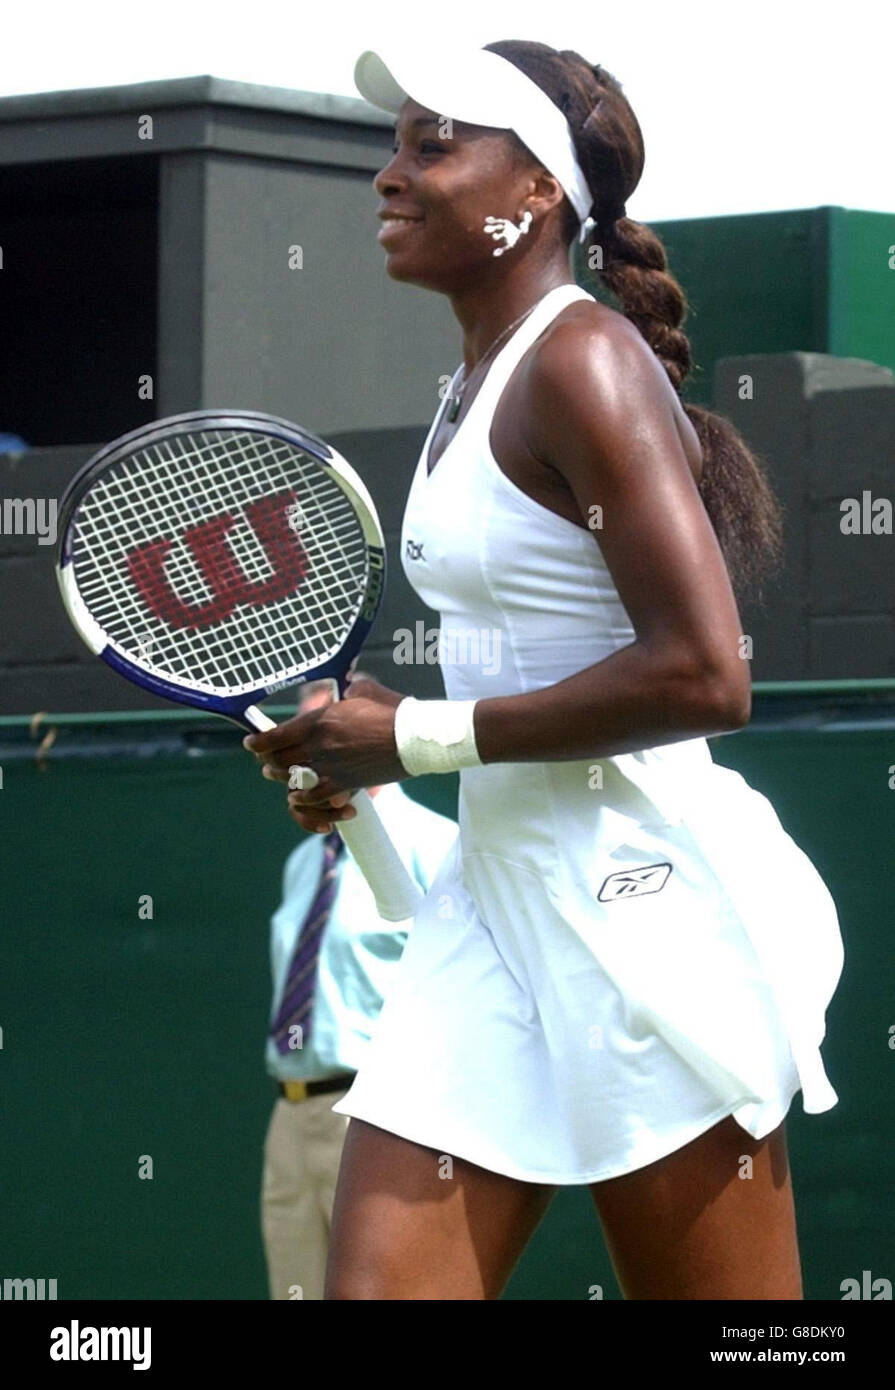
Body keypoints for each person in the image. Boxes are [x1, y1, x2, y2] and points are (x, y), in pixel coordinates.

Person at [245, 40, 845, 1300]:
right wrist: (361, 766)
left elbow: (703, 675)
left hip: (644, 920)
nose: (387, 177)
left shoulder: (582, 361)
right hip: (489, 915)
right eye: (394, 145)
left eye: (432, 144)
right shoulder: (470, 384)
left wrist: (412, 736)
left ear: (536, 193)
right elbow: (497, 685)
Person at [260, 674, 458, 1301]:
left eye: (317, 736)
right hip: (289, 1117)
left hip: (382, 1117)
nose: (303, 756)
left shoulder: (438, 844)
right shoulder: (302, 863)